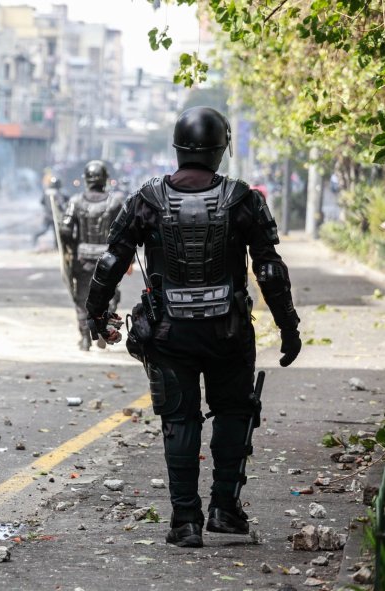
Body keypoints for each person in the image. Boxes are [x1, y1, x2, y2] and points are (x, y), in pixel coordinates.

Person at [85, 106, 302, 548]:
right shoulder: (243, 199)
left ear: (178, 147)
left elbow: (111, 262)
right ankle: (225, 509)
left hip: (167, 334)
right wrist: (288, 326)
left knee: (179, 420)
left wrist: (95, 314)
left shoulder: (147, 199)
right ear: (222, 147)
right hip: (229, 332)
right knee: (235, 413)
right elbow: (270, 270)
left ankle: (185, 520)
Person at [59, 161, 124, 350]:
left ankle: (86, 339)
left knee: (82, 299)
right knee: (110, 298)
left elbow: (64, 229)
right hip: (108, 260)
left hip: (83, 259)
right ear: (105, 178)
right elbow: (124, 232)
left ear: (86, 179)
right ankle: (105, 332)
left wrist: (72, 247)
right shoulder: (115, 202)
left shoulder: (75, 201)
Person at [33, 175, 66, 249]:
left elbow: (42, 202)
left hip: (47, 216)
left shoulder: (46, 192)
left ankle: (35, 238)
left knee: (44, 230)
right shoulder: (58, 193)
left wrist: (47, 209)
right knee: (57, 232)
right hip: (55, 216)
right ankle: (57, 246)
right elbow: (61, 205)